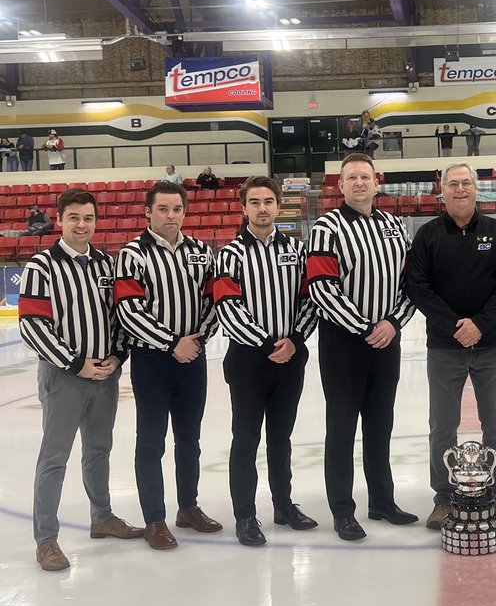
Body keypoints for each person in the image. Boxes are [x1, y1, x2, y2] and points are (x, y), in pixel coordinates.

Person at [19, 188, 143, 571]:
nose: (82, 225)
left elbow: (120, 317)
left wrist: (118, 355)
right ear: (59, 219)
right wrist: (76, 364)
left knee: (99, 449)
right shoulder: (41, 267)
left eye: (88, 218)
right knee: (55, 457)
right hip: (64, 377)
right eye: (73, 217)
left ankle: (101, 516)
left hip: (105, 375)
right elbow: (33, 326)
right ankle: (46, 539)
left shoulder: (106, 264)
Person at [306, 153, 418, 541]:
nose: (358, 183)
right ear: (340, 185)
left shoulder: (394, 226)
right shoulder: (327, 227)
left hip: (386, 340)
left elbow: (411, 285)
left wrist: (393, 323)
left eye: (364, 177)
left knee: (380, 424)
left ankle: (382, 501)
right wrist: (364, 327)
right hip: (344, 343)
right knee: (341, 428)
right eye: (351, 177)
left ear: (376, 182)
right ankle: (342, 510)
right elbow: (321, 287)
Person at [407, 161, 496, 532]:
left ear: (476, 188)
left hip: (491, 344)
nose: (460, 189)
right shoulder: (427, 235)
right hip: (445, 346)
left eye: (466, 183)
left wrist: (481, 324)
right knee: (442, 426)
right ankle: (444, 497)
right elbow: (418, 287)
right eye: (453, 184)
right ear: (442, 191)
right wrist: (457, 326)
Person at [114, 180, 222, 549]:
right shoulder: (132, 254)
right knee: (151, 441)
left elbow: (214, 303)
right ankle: (155, 520)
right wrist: (173, 342)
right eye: (162, 209)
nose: (170, 215)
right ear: (148, 211)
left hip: (193, 358)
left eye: (176, 209)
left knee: (189, 439)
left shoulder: (201, 252)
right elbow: (129, 311)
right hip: (152, 361)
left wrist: (196, 341)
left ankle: (188, 508)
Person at [215, 176, 318, 546]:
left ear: (279, 206)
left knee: (281, 438)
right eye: (255, 202)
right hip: (249, 360)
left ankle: (283, 505)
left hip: (290, 358)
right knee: (245, 439)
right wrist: (266, 343)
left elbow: (310, 300)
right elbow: (228, 307)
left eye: (268, 201)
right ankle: (245, 515)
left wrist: (295, 340)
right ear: (244, 208)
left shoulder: (297, 250)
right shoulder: (229, 255)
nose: (262, 208)